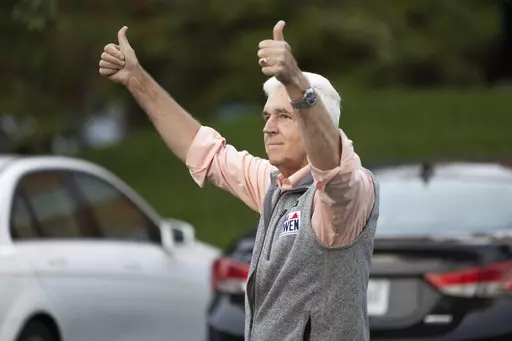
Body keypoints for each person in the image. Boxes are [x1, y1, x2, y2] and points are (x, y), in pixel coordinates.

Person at [99, 21, 379, 341]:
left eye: (284, 116)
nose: (269, 127)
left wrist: (296, 82)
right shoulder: (275, 184)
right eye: (267, 116)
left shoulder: (348, 195)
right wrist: (137, 80)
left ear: (318, 124)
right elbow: (203, 149)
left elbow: (332, 166)